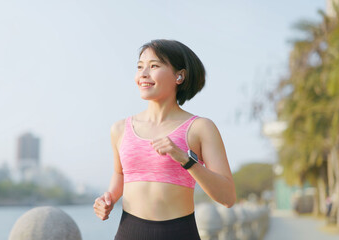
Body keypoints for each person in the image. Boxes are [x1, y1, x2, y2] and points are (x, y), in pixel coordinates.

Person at [93, 39, 236, 240]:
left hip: (179, 233)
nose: (143, 74)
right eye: (140, 67)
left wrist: (185, 160)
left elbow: (228, 197)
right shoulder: (119, 129)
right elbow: (121, 173)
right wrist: (108, 199)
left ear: (179, 75)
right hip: (128, 232)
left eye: (154, 66)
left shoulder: (200, 128)